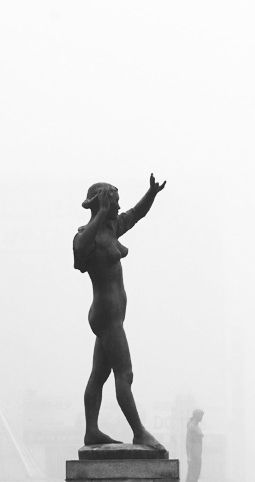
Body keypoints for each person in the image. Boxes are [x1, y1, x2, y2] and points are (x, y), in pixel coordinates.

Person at [72, 174, 167, 450]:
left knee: (98, 375)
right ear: (102, 202)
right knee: (124, 374)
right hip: (107, 317)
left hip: (112, 317)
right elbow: (78, 255)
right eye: (114, 202)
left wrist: (151, 193)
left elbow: (136, 214)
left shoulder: (111, 230)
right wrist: (100, 213)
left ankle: (92, 431)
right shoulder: (87, 237)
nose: (118, 207)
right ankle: (139, 432)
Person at [183, 409, 204, 482]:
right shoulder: (191, 427)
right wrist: (189, 456)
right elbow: (188, 442)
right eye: (201, 415)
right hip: (194, 456)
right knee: (192, 476)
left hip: (197, 454)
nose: (202, 417)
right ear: (196, 415)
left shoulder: (195, 426)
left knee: (195, 476)